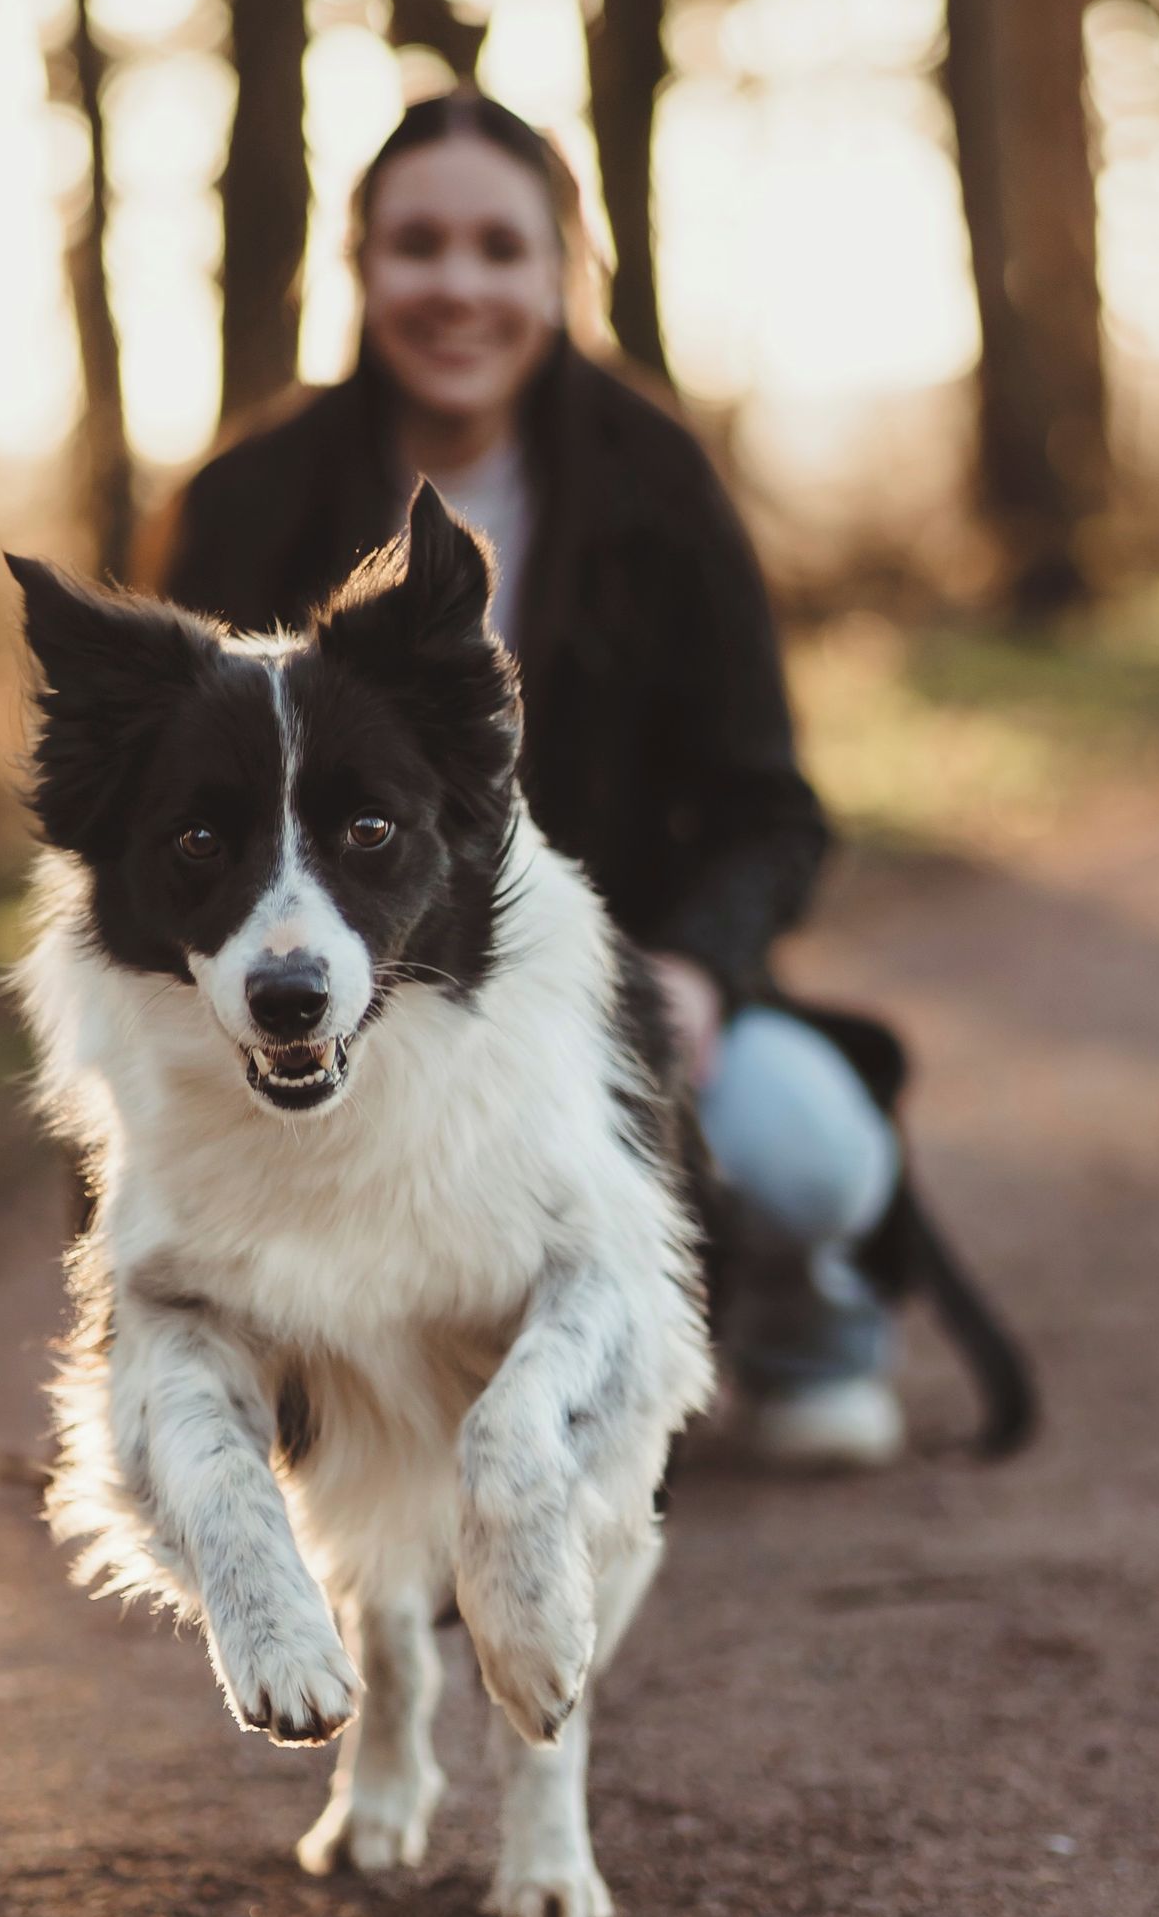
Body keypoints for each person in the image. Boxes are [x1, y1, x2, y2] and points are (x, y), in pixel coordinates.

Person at [152, 90, 906, 1469]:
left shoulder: (658, 484)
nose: (459, 285)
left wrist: (695, 974)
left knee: (810, 1155)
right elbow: (159, 826)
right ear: (363, 268)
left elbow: (773, 813)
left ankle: (809, 1313)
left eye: (501, 249)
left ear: (564, 272)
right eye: (418, 245)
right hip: (351, 991)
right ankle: (362, 1422)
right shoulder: (247, 504)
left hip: (621, 987)